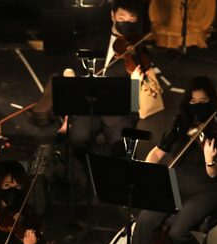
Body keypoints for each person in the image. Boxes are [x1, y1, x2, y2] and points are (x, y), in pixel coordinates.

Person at [128, 76, 217, 244]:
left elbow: (214, 173)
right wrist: (149, 173)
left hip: (206, 190)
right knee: (145, 220)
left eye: (203, 102)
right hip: (175, 183)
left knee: (179, 232)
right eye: (193, 102)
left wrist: (210, 160)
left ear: (212, 102)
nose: (197, 107)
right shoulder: (180, 126)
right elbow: (156, 154)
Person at [60, 0, 158, 162]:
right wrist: (70, 73)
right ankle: (91, 170)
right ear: (112, 15)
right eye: (122, 17)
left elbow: (143, 85)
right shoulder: (94, 36)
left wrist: (137, 81)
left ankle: (112, 176)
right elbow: (72, 61)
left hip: (119, 110)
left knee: (122, 146)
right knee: (77, 139)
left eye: (132, 19)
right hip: (90, 104)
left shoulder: (138, 46)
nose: (126, 22)